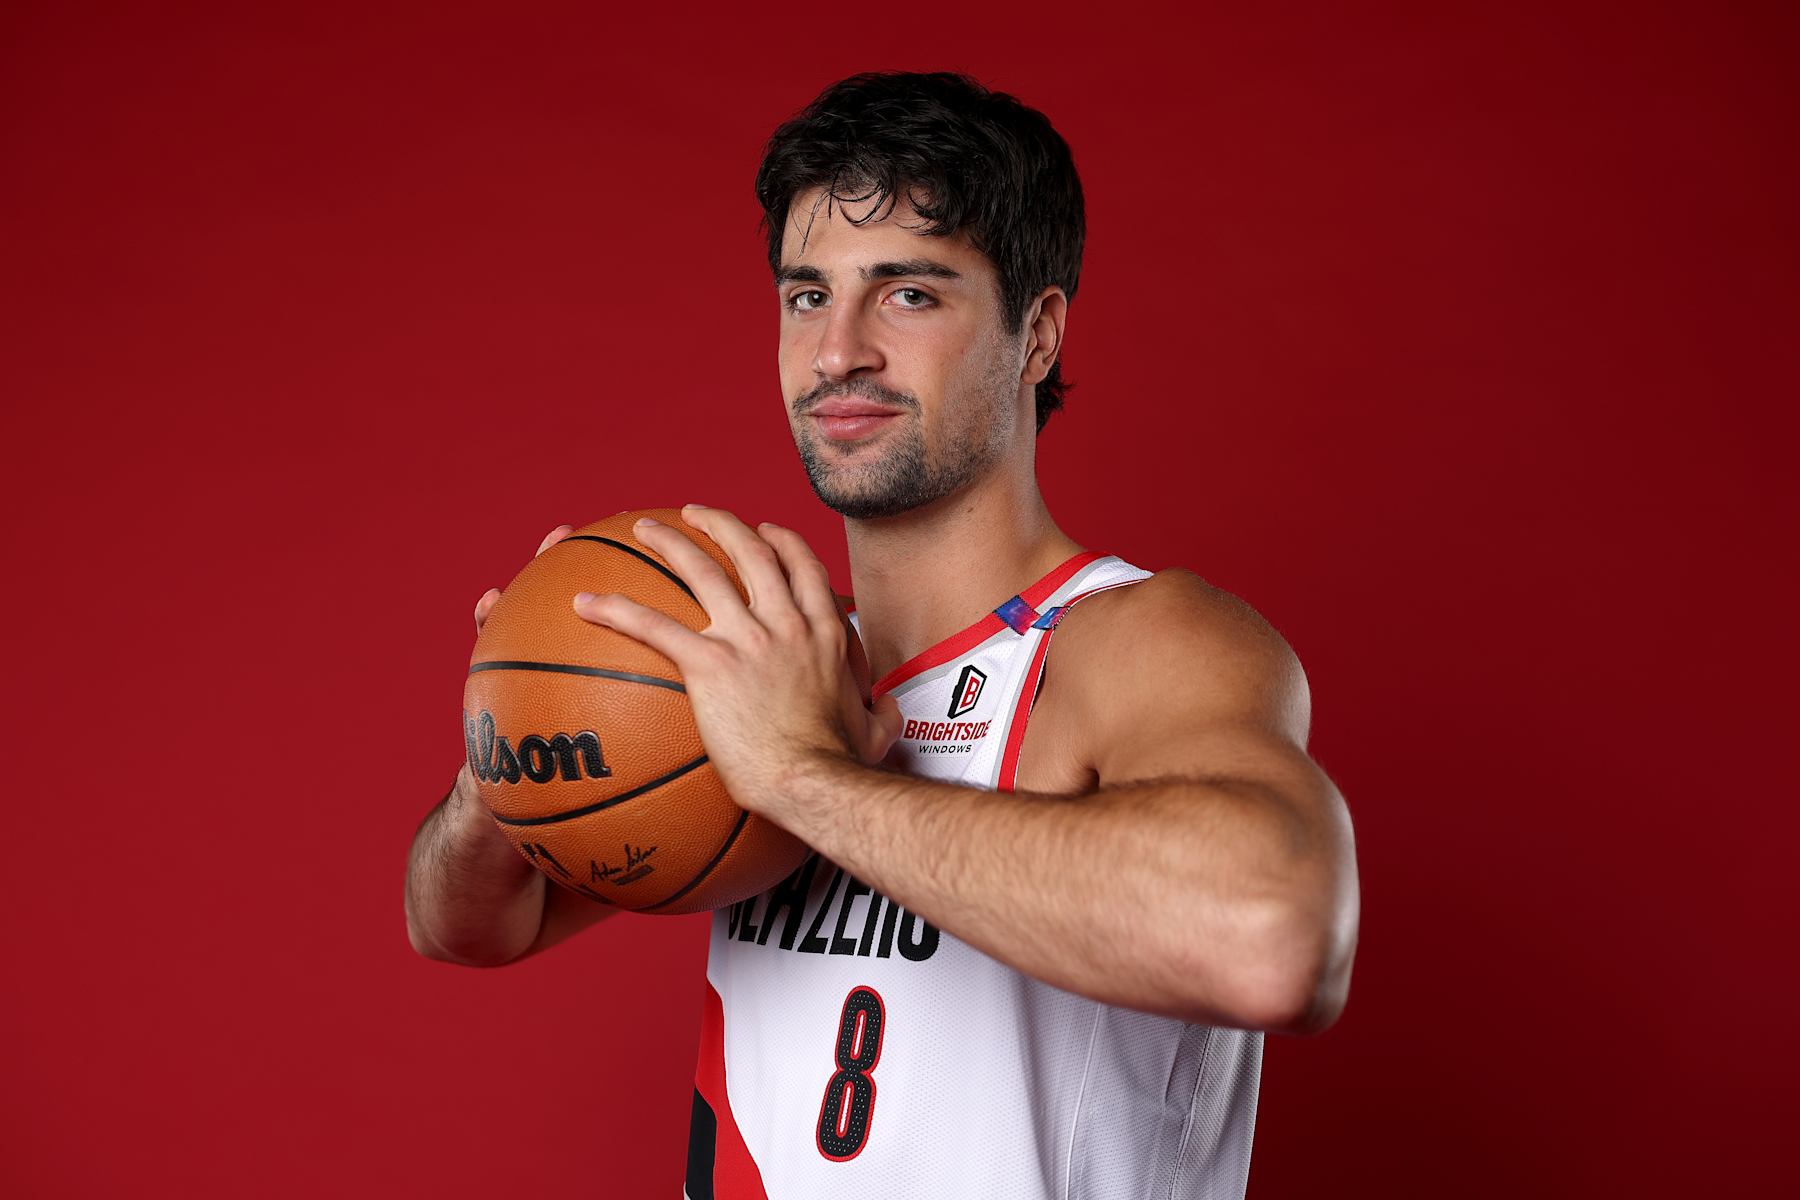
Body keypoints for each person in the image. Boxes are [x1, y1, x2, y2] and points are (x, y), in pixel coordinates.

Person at [406, 70, 1359, 1200]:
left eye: (909, 294)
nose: (838, 352)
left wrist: (798, 776)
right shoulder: (771, 657)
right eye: (808, 296)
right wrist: (511, 753)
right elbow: (466, 926)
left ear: (1036, 334)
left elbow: (1273, 939)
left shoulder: (1129, 642)